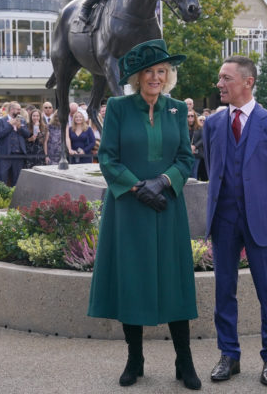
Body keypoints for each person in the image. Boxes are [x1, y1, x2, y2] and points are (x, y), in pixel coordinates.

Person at [88, 39, 201, 389]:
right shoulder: (119, 108)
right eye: (149, 71)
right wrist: (139, 188)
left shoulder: (177, 110)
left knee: (174, 278)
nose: (155, 77)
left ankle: (185, 361)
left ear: (168, 75)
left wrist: (164, 182)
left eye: (161, 71)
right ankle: (134, 359)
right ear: (137, 77)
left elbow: (186, 157)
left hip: (168, 206)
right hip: (129, 208)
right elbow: (108, 158)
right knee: (132, 279)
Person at [202, 55, 267, 387]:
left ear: (247, 82)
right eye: (219, 78)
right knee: (223, 291)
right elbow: (211, 168)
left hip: (262, 221)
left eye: (226, 78)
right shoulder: (212, 124)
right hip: (224, 220)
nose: (220, 84)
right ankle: (229, 354)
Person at [0, 101, 30, 186]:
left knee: (17, 179)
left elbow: (27, 134)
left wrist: (19, 128)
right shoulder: (1, 121)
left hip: (19, 154)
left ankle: (16, 198)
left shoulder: (22, 120)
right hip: (5, 154)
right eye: (18, 109)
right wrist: (10, 126)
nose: (19, 111)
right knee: (3, 178)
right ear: (11, 109)